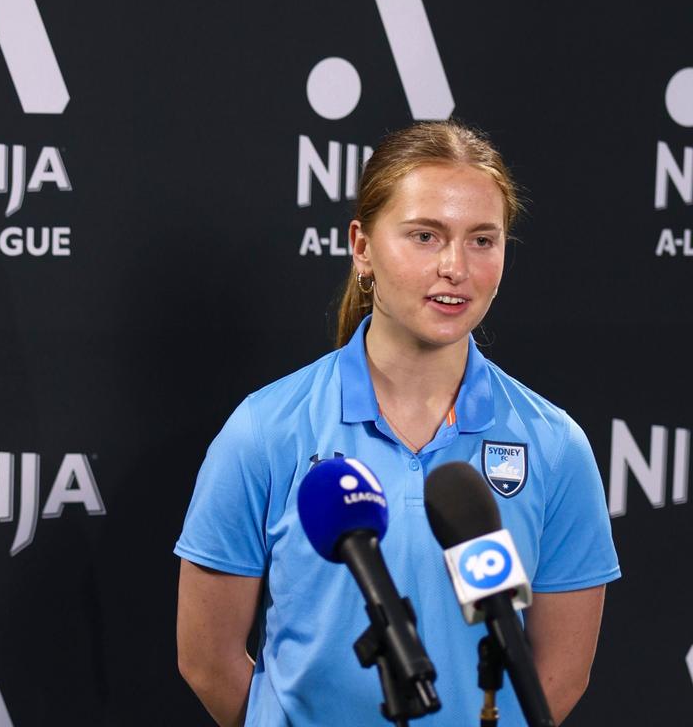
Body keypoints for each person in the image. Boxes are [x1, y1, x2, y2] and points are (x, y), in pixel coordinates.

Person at [175, 120, 620, 726]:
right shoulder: (265, 430)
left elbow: (560, 672)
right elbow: (208, 659)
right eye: (425, 236)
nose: (455, 267)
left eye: (483, 240)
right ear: (362, 247)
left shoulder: (554, 445)